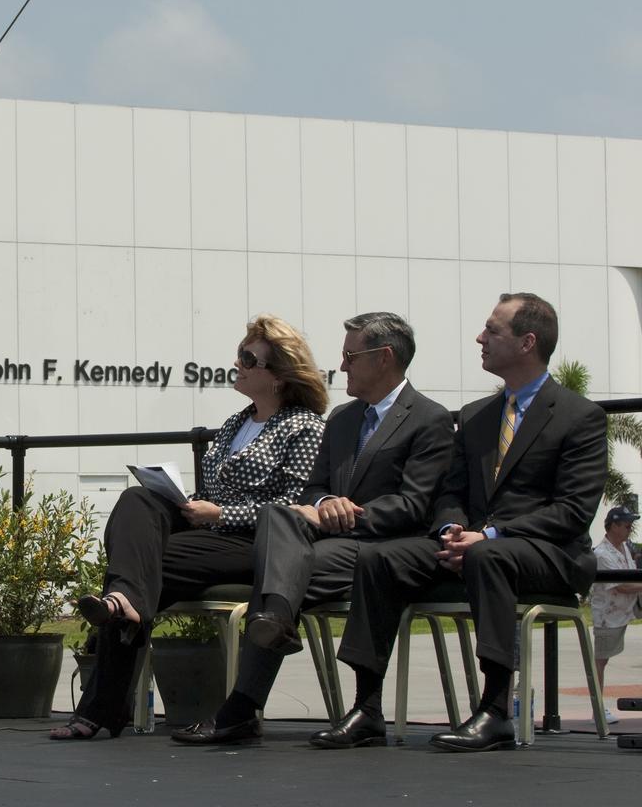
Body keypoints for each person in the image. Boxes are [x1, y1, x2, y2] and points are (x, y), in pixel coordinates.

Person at [311, 292, 607, 752]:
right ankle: (366, 708)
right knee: (379, 557)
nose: (479, 338)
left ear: (528, 342)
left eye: (492, 330)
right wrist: (449, 530)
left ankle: (495, 710)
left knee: (489, 556)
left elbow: (572, 511)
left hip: (548, 551)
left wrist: (488, 534)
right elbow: (450, 492)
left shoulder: (579, 416)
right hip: (471, 543)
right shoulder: (475, 417)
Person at [173, 312, 453, 745]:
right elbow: (314, 487)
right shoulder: (341, 419)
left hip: (384, 545)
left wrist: (346, 513)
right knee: (278, 518)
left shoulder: (429, 419)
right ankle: (272, 630)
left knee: (280, 579)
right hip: (324, 543)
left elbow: (413, 504)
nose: (342, 366)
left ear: (384, 358)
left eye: (350, 356)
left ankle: (243, 705)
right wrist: (321, 503)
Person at [50, 314, 328, 740]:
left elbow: (294, 510)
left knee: (140, 568)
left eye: (249, 358)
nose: (238, 363)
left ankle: (103, 702)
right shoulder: (237, 423)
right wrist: (187, 502)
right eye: (240, 354)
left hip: (253, 545)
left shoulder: (303, 428)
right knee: (137, 500)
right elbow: (217, 489)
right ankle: (124, 602)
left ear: (278, 376)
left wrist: (221, 515)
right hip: (206, 537)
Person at [591, 505, 642, 725]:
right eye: (626, 524)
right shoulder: (602, 553)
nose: (630, 528)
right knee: (600, 662)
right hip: (608, 616)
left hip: (625, 612)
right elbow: (621, 585)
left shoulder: (623, 548)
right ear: (613, 525)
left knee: (603, 661)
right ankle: (597, 708)